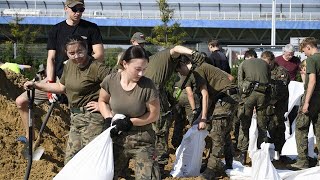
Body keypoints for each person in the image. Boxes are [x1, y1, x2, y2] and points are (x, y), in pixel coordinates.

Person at [16, 0, 104, 142]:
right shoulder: (56, 30)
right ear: (66, 9)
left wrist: (76, 62)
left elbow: (99, 54)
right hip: (58, 79)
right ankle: (30, 137)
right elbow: (51, 59)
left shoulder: (91, 28)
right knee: (21, 101)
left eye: (81, 9)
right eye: (74, 9)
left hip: (82, 80)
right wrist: (50, 85)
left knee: (81, 115)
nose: (78, 12)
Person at [23, 35, 111, 164]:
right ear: (66, 53)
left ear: (87, 49)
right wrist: (37, 85)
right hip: (75, 118)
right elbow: (61, 87)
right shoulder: (69, 65)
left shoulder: (97, 68)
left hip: (93, 119)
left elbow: (117, 85)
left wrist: (103, 105)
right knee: (70, 161)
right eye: (72, 53)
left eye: (80, 51)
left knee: (91, 161)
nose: (76, 56)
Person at [98, 45, 161, 179]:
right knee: (105, 174)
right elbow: (102, 101)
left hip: (142, 139)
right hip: (117, 138)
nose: (141, 74)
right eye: (137, 69)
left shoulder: (148, 85)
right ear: (125, 64)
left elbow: (154, 114)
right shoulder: (110, 80)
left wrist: (130, 122)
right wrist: (108, 118)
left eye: (144, 69)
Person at [143, 45, 206, 167]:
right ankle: (159, 163)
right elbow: (176, 48)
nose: (179, 72)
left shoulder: (155, 61)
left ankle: (151, 160)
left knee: (150, 126)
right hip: (153, 90)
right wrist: (193, 52)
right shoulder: (168, 56)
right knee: (161, 128)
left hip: (147, 89)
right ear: (181, 62)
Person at [176, 59, 238, 178]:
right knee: (224, 132)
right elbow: (230, 78)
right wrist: (200, 116)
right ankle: (228, 164)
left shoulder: (197, 71)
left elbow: (205, 95)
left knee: (216, 134)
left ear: (184, 64)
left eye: (179, 71)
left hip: (224, 99)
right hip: (230, 97)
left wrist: (203, 119)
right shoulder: (204, 67)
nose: (181, 74)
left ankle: (210, 171)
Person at [287, 37, 320, 170]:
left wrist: (306, 102)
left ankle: (302, 161)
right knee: (319, 130)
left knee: (301, 128)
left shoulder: (312, 59)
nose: (304, 54)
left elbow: (312, 81)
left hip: (311, 98)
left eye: (304, 51)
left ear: (308, 47)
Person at [237, 54, 271, 165]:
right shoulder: (265, 63)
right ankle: (261, 154)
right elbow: (269, 80)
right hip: (263, 95)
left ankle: (243, 155)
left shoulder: (243, 64)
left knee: (244, 125)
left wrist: (243, 96)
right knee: (262, 125)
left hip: (249, 96)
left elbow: (239, 82)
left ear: (247, 56)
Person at [261, 51, 291, 165]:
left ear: (273, 61)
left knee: (278, 128)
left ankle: (280, 153)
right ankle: (266, 153)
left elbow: (281, 91)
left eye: (268, 63)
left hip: (278, 106)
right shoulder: (262, 70)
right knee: (265, 128)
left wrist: (270, 102)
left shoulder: (281, 71)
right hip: (264, 106)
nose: (266, 65)